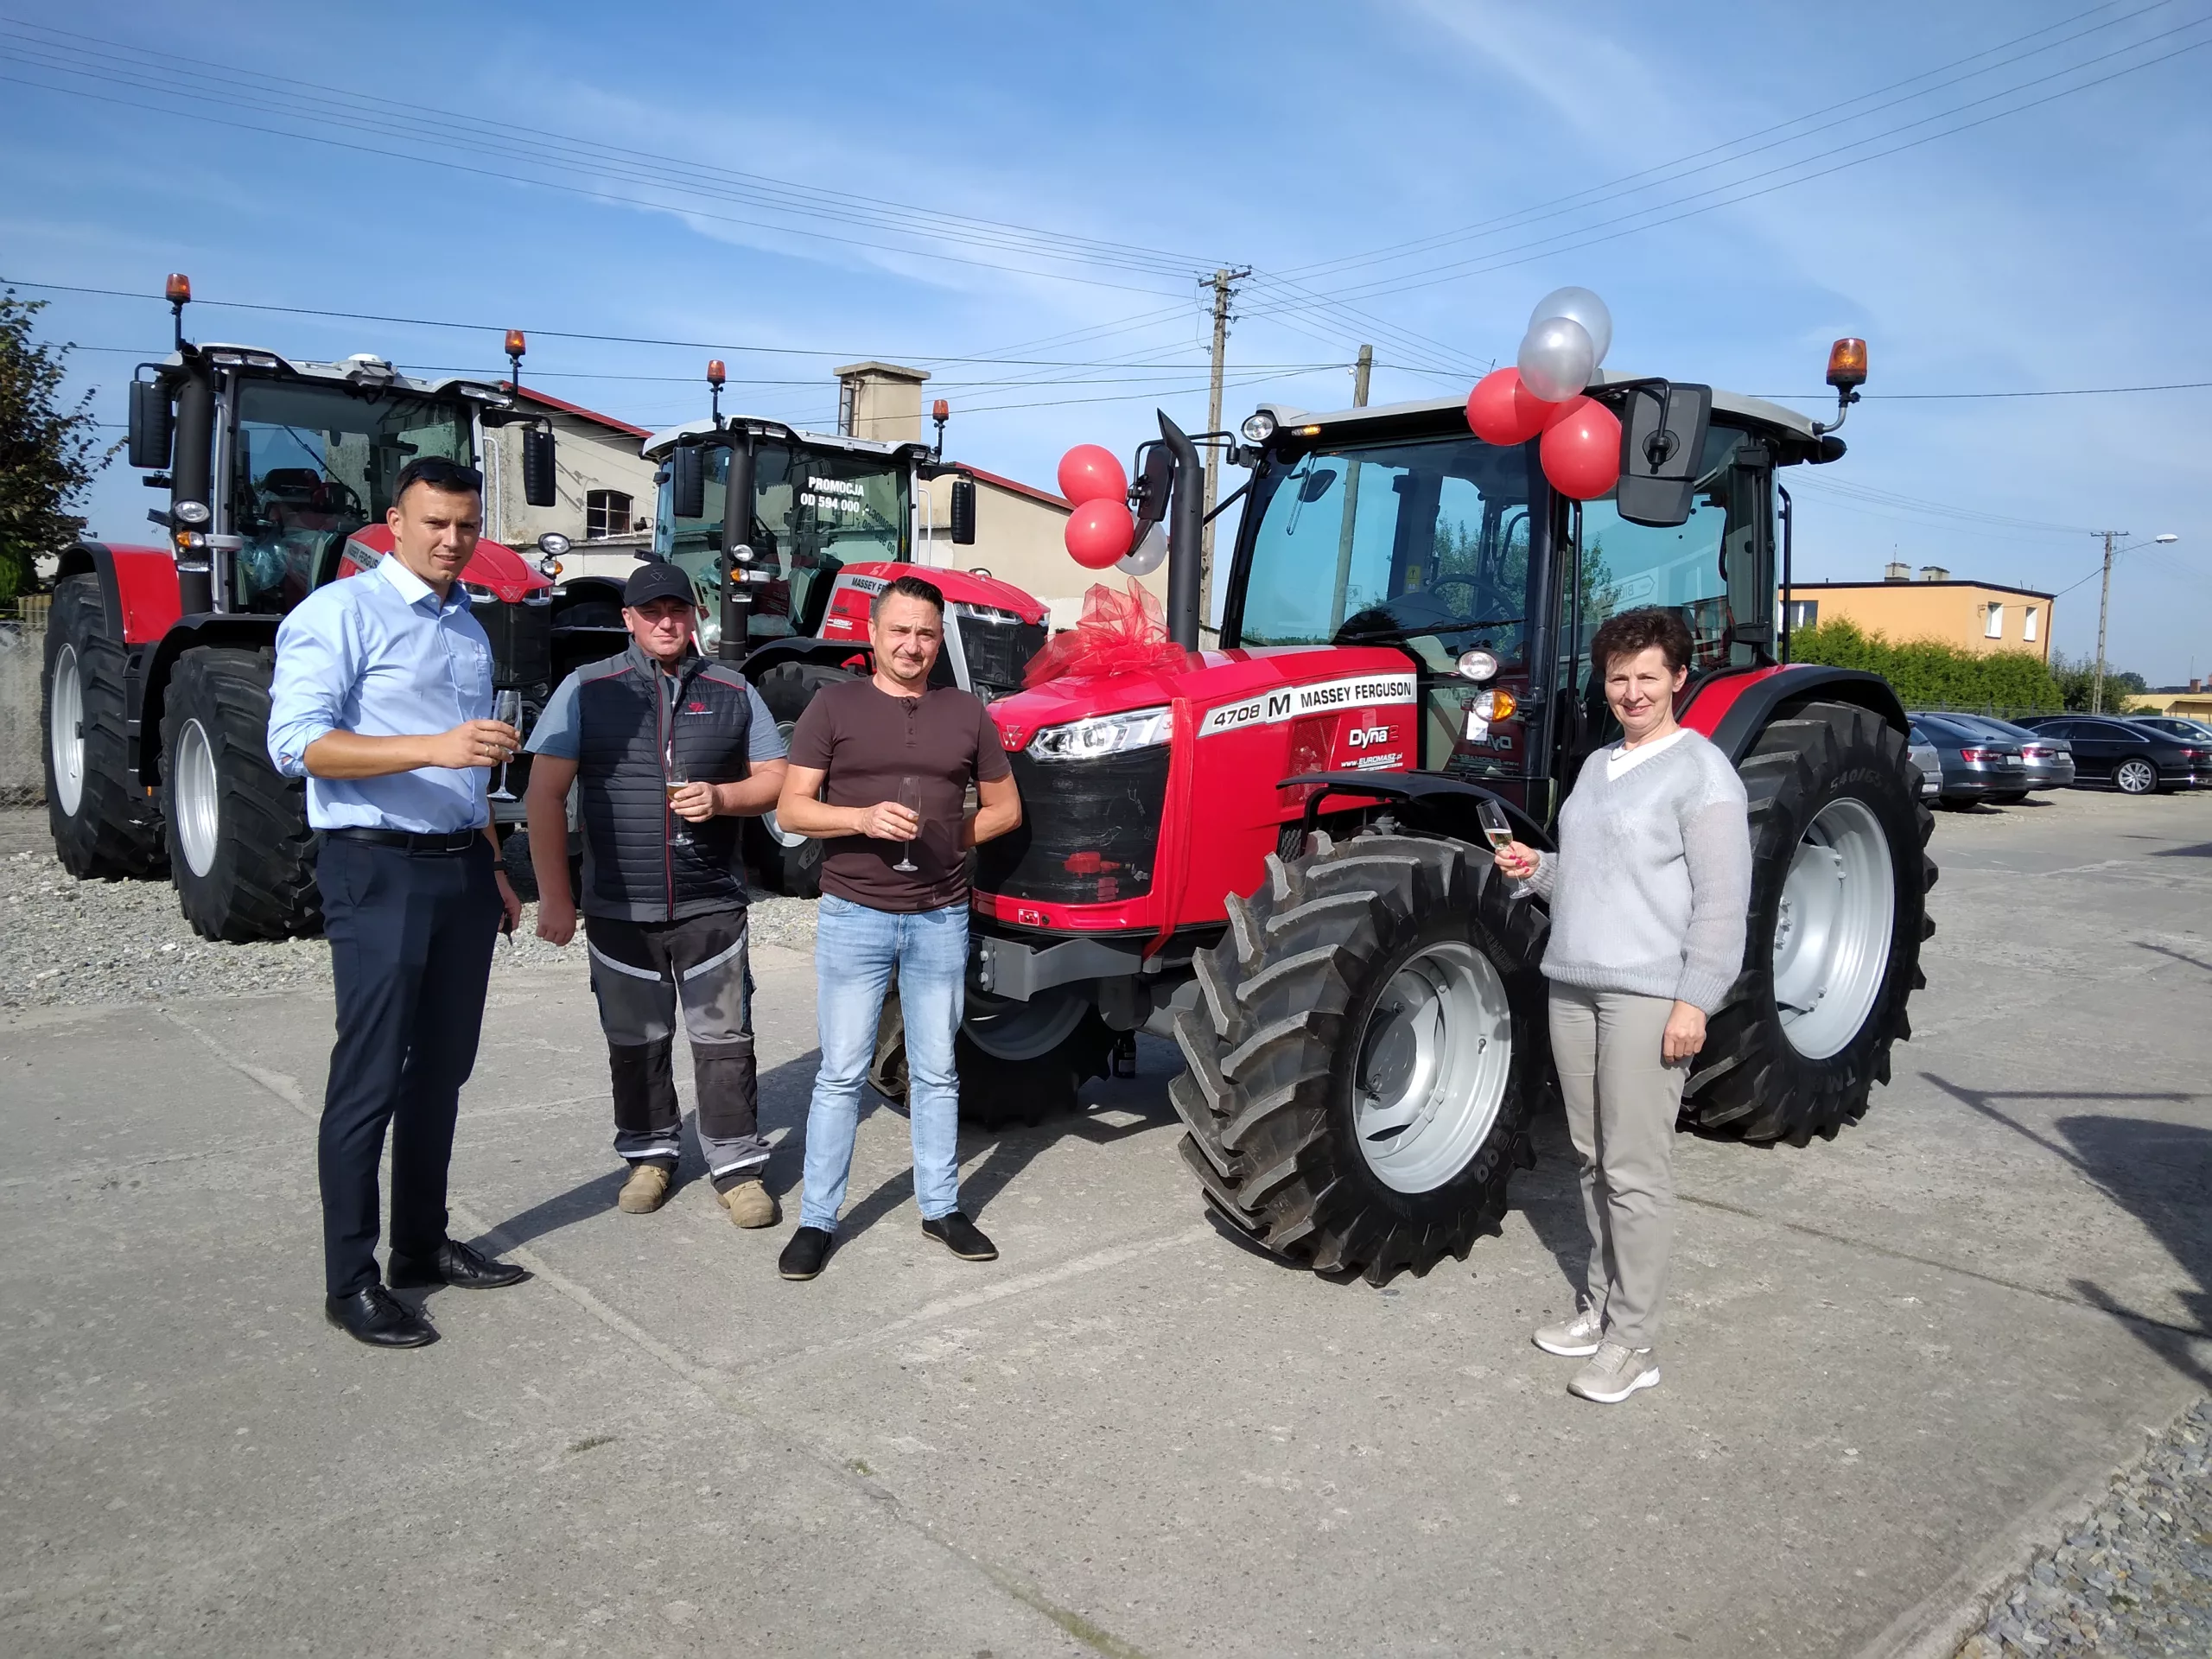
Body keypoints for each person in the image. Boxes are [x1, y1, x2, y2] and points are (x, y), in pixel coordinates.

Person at [267, 456, 529, 1350]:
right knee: (370, 1078)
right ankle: (351, 1280)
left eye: (466, 524)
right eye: (434, 523)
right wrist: (433, 745)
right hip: (376, 866)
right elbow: (297, 744)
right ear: (393, 521)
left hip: (459, 867)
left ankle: (420, 1244)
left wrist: (491, 861)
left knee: (443, 1072)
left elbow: (469, 770)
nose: (453, 540)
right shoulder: (339, 614)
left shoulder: (466, 625)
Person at [1492, 607, 1751, 1404]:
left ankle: (1634, 1343)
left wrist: (1694, 1003)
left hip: (1648, 997)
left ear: (1678, 679)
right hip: (1574, 982)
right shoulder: (1600, 766)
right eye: (1618, 677)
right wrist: (1537, 870)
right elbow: (1595, 882)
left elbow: (1720, 903)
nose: (1632, 691)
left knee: (1637, 1169)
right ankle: (1600, 1308)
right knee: (1594, 1158)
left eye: (1647, 675)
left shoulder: (1703, 773)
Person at [521, 562, 789, 1227]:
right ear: (628, 620)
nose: (666, 622)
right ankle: (649, 1155)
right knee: (635, 1039)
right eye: (651, 612)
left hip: (710, 904)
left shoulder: (733, 689)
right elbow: (544, 795)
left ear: (694, 614)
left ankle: (736, 1167)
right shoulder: (586, 689)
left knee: (725, 1039)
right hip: (619, 904)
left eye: (677, 609)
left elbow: (776, 779)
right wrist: (557, 898)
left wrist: (724, 797)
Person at [771, 574, 1021, 1281]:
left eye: (926, 634)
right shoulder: (832, 704)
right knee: (842, 1073)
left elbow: (1005, 810)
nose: (913, 645)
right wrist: (859, 819)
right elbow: (792, 811)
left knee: (938, 1072)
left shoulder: (967, 713)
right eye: (900, 631)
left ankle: (941, 1208)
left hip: (941, 915)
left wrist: (950, 836)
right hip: (855, 913)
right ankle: (818, 1220)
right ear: (874, 635)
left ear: (939, 641)